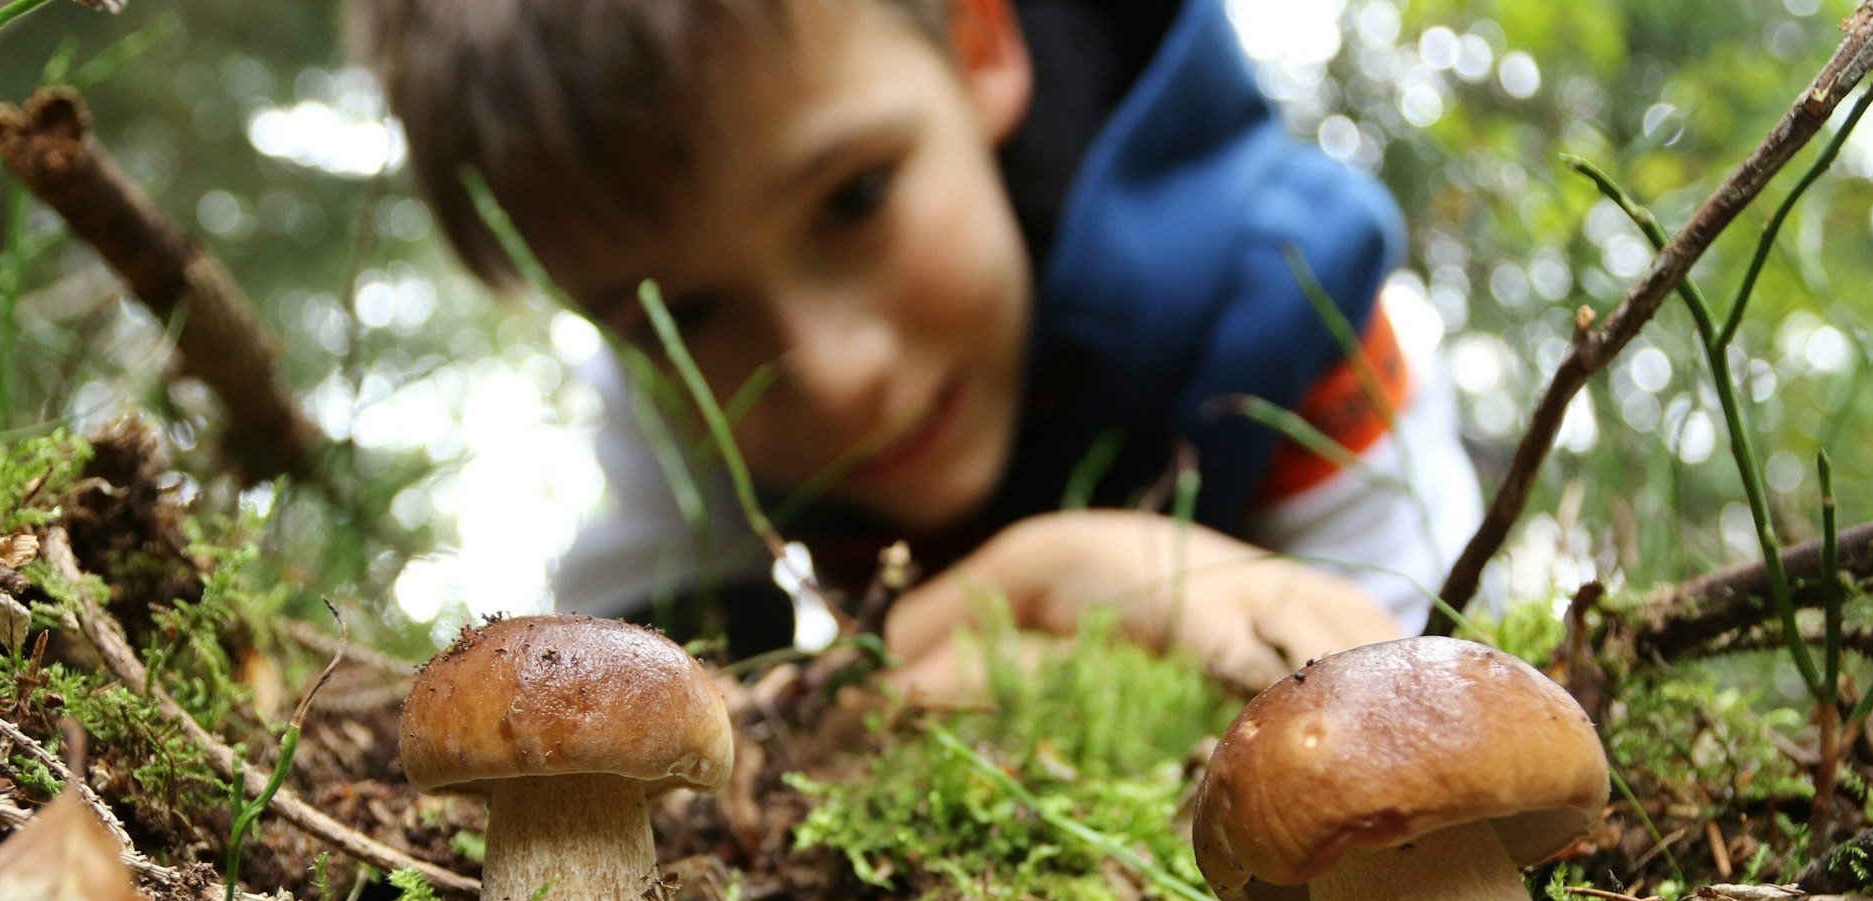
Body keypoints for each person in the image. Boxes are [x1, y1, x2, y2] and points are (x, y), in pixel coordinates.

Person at [365, 0, 1483, 690]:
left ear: (975, 39)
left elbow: (1410, 709)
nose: (835, 371)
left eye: (851, 200)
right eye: (682, 315)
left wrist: (1083, 595)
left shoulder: (1291, 303)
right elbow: (681, 723)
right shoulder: (669, 395)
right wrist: (1007, 600)